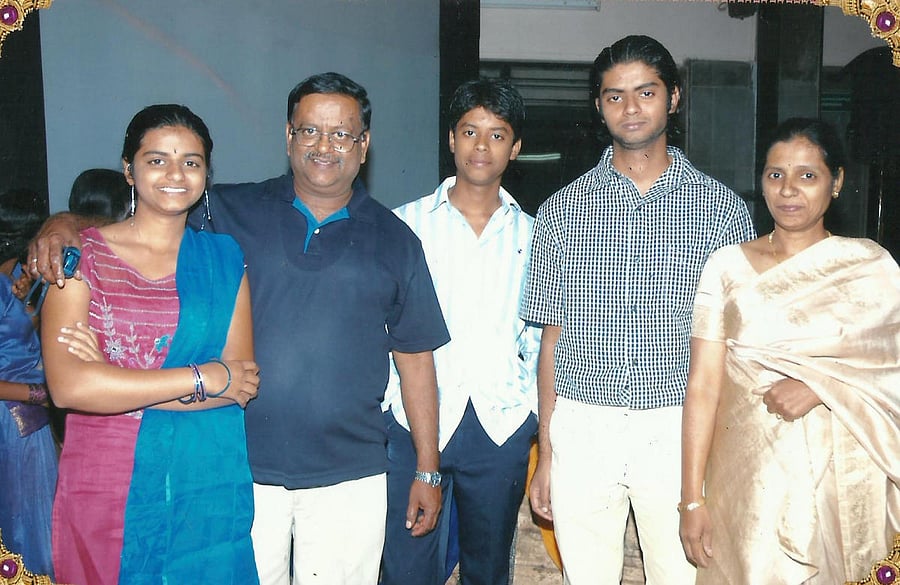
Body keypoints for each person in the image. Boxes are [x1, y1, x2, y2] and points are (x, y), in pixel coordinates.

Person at [29, 72, 448, 585]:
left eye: (341, 133)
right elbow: (154, 212)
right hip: (238, 470)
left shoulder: (397, 239)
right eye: (309, 129)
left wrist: (428, 467)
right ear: (288, 136)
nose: (324, 145)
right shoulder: (228, 211)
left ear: (364, 144)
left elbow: (416, 359)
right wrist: (63, 224)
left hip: (350, 474)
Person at [519, 35, 756, 585]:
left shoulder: (722, 211)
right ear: (598, 107)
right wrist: (548, 454)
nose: (630, 108)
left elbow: (734, 347)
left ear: (673, 97)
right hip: (583, 423)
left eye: (645, 92)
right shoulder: (561, 212)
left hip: (677, 428)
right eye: (614, 96)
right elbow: (550, 343)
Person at [40, 104, 260, 585]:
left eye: (192, 161)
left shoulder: (223, 258)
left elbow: (240, 384)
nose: (175, 174)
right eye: (157, 159)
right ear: (129, 169)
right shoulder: (81, 259)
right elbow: (70, 388)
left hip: (202, 482)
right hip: (104, 482)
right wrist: (202, 376)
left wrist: (115, 381)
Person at [680, 118, 900, 584]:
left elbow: (890, 366)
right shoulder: (726, 267)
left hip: (842, 476)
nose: (788, 190)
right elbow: (702, 386)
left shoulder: (870, 267)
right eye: (775, 174)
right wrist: (691, 499)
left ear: (836, 182)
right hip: (748, 478)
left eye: (807, 175)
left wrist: (819, 387)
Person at [380, 79, 538, 585]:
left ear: (514, 149)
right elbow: (384, 325)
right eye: (470, 131)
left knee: (488, 572)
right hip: (412, 422)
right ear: (451, 138)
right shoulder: (404, 226)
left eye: (497, 135)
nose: (481, 146)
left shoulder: (536, 234)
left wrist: (528, 408)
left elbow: (541, 331)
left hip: (498, 425)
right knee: (406, 570)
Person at [0, 188, 56, 577]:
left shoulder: (20, 274)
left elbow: (22, 336)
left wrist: (31, 302)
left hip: (30, 418)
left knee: (37, 517)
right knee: (21, 521)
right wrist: (39, 394)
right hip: (12, 415)